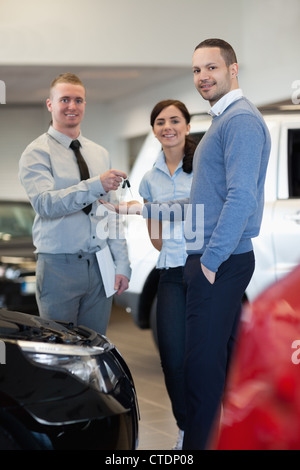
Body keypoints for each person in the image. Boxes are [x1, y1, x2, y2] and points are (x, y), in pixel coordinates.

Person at [102, 38, 271, 449]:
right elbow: (200, 204)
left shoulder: (240, 121)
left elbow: (241, 198)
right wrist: (141, 210)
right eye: (196, 70)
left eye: (211, 68)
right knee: (217, 369)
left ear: (233, 69)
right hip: (216, 259)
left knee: (200, 372)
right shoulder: (223, 121)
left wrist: (210, 260)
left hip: (219, 261)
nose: (202, 77)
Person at [19, 72, 131, 335]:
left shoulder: (99, 153)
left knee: (96, 347)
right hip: (59, 266)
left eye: (78, 100)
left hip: (100, 263)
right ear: (50, 104)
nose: (72, 106)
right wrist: (96, 185)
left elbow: (110, 213)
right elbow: (46, 205)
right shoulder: (36, 153)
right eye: (65, 99)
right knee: (60, 350)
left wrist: (122, 263)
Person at [139, 100, 196, 449]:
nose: (167, 126)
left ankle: (213, 424)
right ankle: (186, 427)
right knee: (172, 358)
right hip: (171, 273)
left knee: (208, 356)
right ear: (154, 129)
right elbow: (155, 235)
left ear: (188, 126)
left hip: (207, 270)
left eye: (175, 120)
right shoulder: (149, 179)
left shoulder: (204, 167)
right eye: (160, 121)